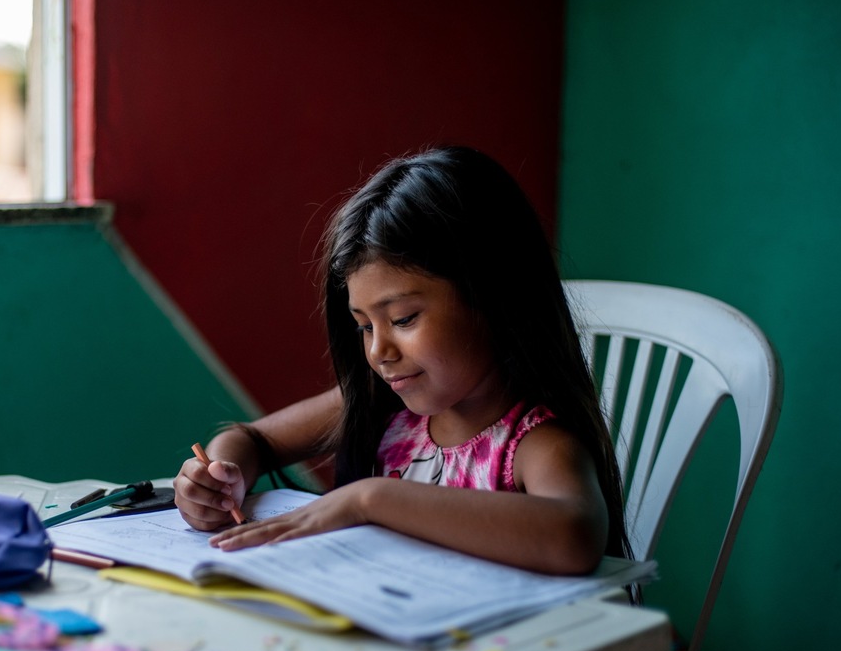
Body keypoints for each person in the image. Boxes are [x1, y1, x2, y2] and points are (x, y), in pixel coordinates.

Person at [174, 145, 632, 576]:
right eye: (365, 327)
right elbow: (250, 438)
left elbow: (575, 533)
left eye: (404, 318)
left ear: (494, 298)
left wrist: (372, 498)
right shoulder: (383, 406)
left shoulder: (533, 444)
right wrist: (219, 478)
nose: (378, 352)